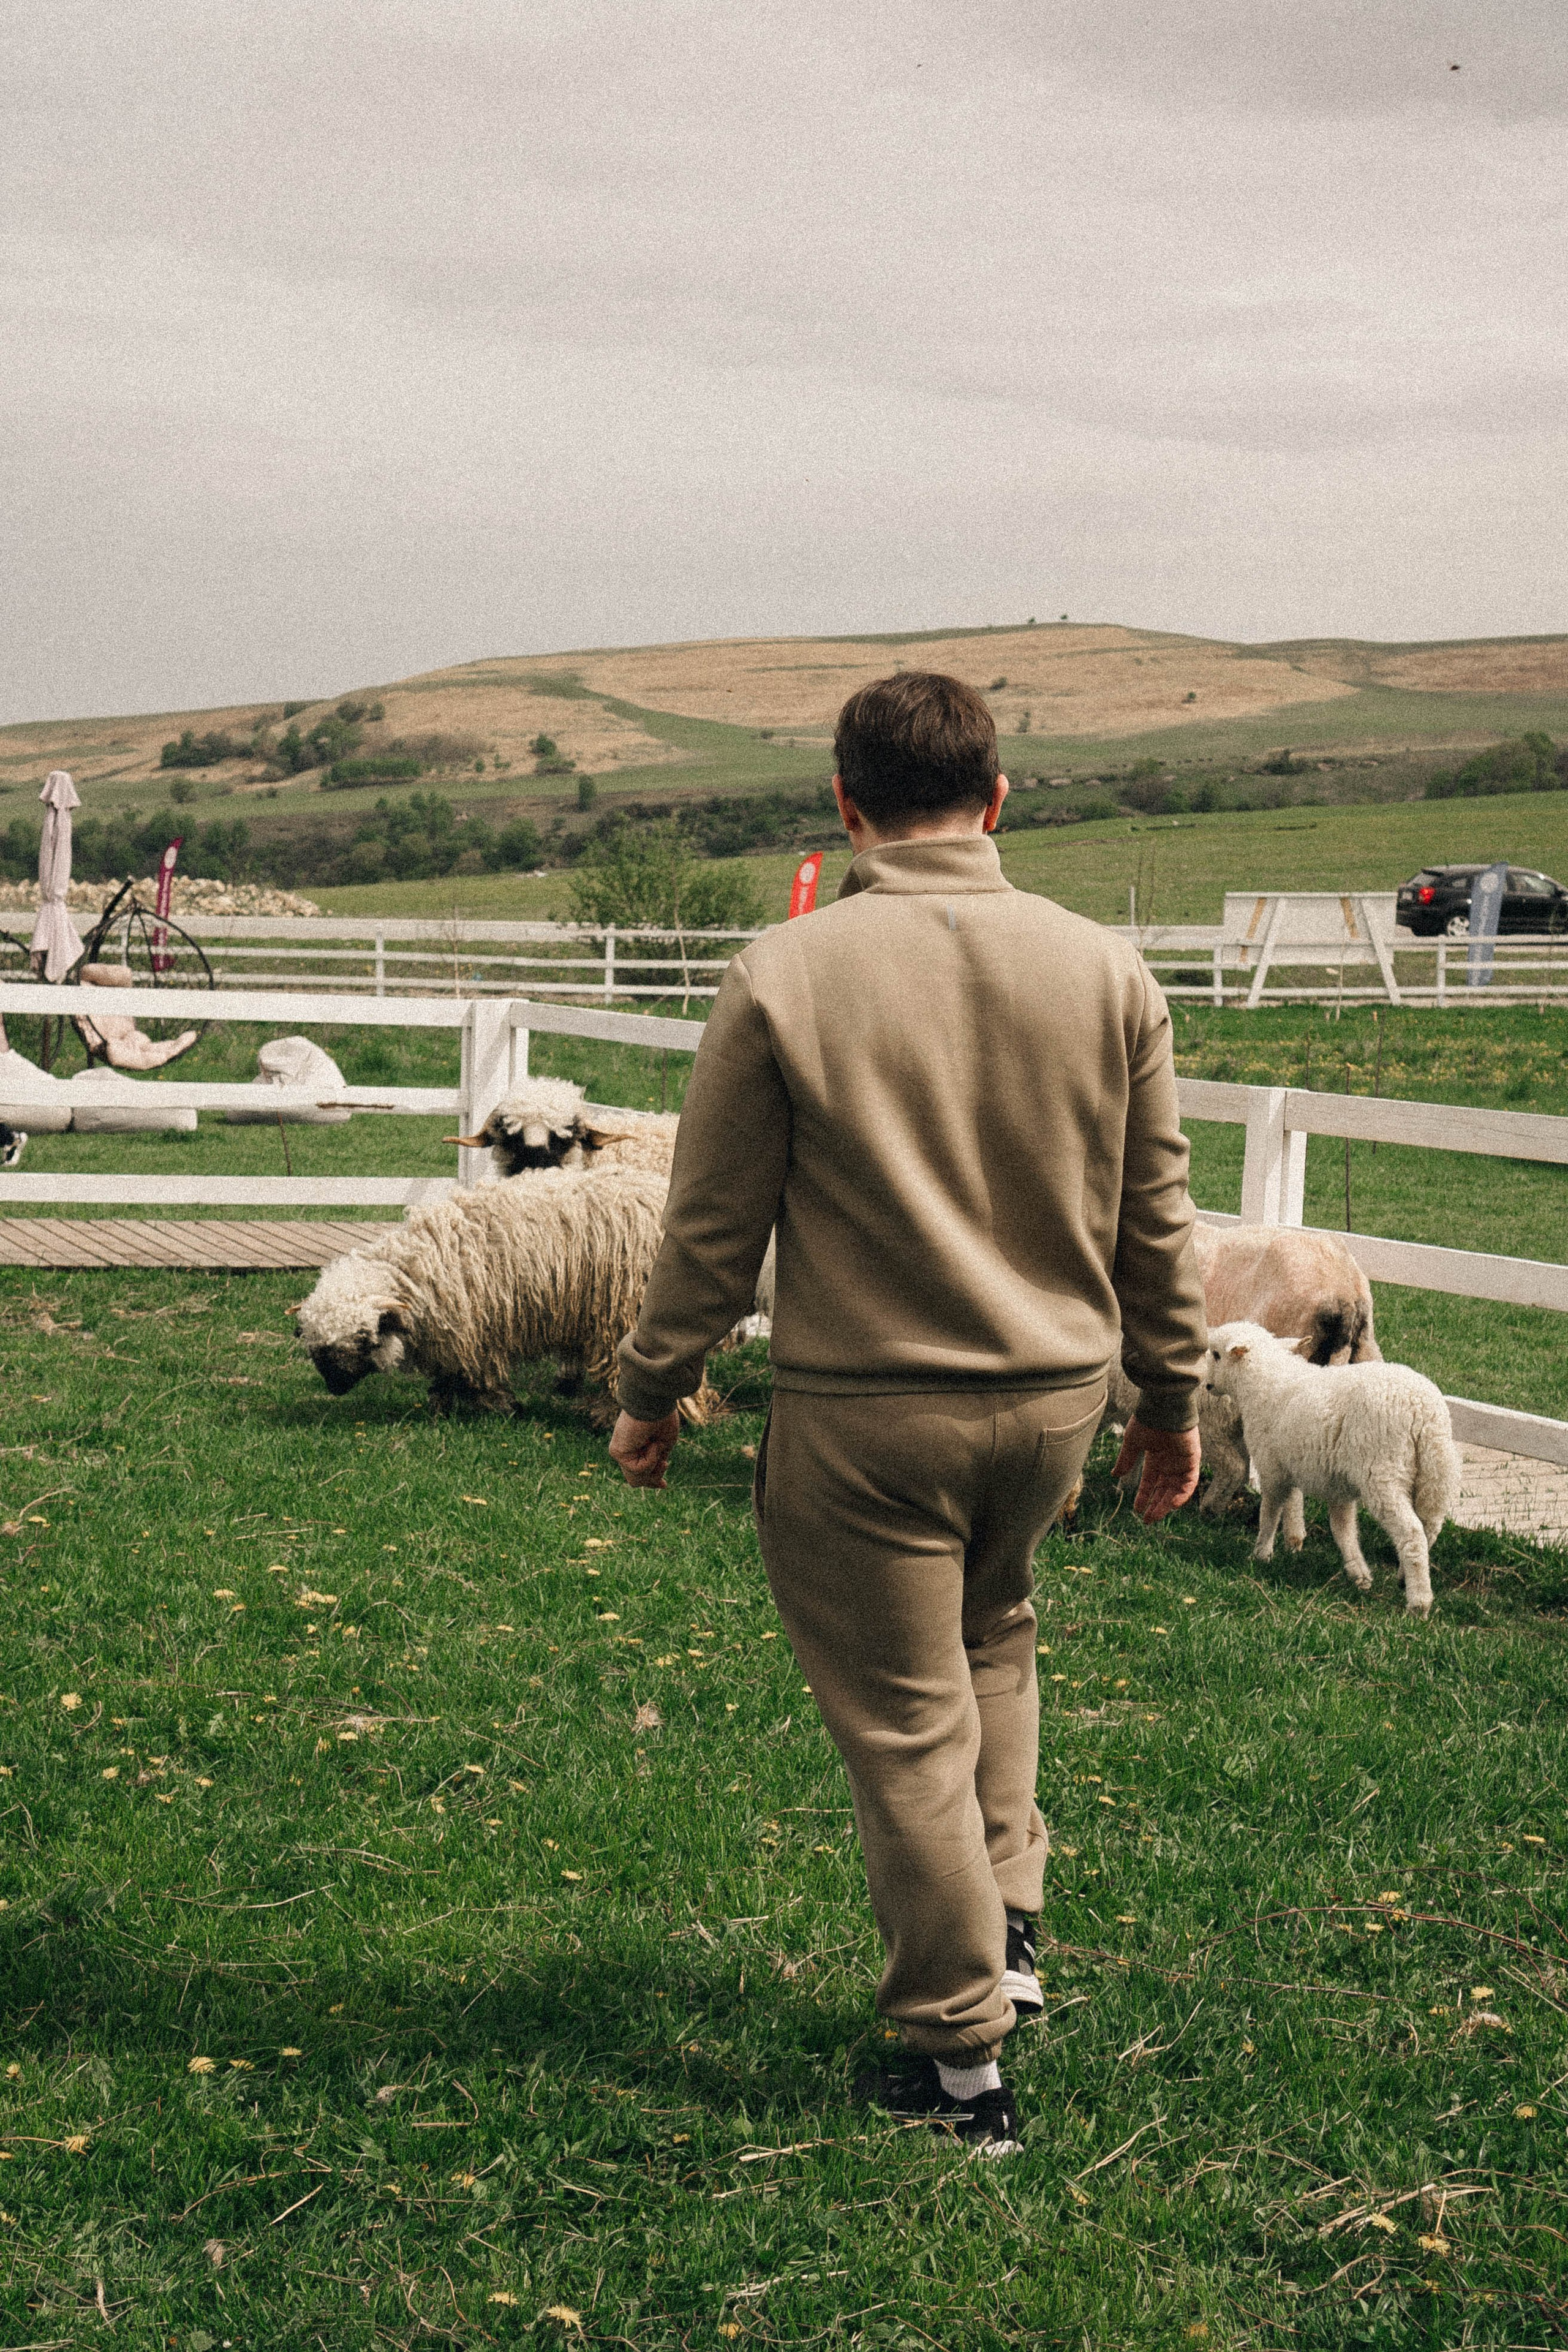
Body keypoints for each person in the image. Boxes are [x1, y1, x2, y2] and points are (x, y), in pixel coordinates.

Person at [610, 671, 1205, 2157]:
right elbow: (1154, 1219)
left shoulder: (783, 975)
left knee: (903, 1727)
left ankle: (961, 2072)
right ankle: (1006, 1924)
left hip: (867, 1419)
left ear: (843, 803)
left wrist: (651, 1389)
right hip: (1051, 1411)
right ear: (994, 798)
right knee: (991, 1638)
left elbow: (709, 1230)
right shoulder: (1105, 971)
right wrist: (1169, 1399)